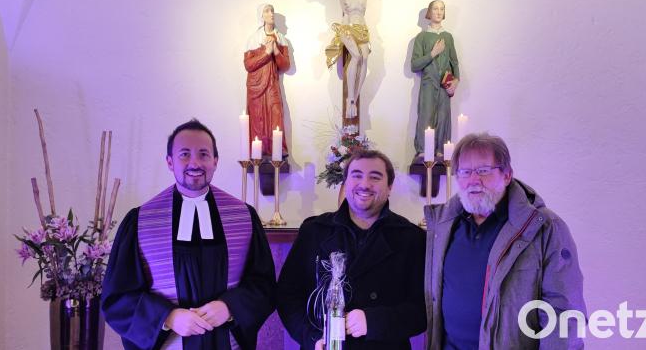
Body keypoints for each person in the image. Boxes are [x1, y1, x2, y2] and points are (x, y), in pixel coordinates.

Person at [102, 119, 276, 350]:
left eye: (203, 154)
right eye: (184, 154)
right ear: (170, 162)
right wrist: (167, 318)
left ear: (215, 161)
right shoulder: (141, 221)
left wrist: (230, 307)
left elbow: (263, 284)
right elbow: (118, 297)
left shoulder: (243, 216)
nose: (194, 162)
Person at [423, 133, 586, 349]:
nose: (473, 180)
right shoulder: (443, 226)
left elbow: (563, 314)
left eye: (483, 171)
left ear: (507, 175)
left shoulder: (544, 227)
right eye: (465, 172)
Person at [277, 150, 426, 349]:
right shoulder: (313, 231)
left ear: (390, 186)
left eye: (375, 177)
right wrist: (312, 338)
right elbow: (288, 295)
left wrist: (374, 321)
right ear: (345, 183)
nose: (364, 184)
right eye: (356, 176)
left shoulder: (411, 238)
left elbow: (423, 310)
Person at [275, 0, 430, 118]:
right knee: (355, 56)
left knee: (364, 57)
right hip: (346, 26)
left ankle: (354, 99)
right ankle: (349, 99)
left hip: (362, 27)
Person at [411, 0, 459, 157]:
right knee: (426, 115)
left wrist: (456, 81)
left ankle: (441, 150)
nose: (439, 12)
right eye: (435, 9)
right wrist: (433, 53)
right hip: (428, 84)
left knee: (443, 116)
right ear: (429, 13)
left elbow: (455, 62)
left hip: (444, 86)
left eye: (442, 9)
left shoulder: (448, 37)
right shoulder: (421, 37)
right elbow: (415, 65)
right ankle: (423, 150)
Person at [244, 3, 290, 157]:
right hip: (256, 86)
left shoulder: (281, 38)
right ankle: (260, 153)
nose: (271, 14)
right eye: (267, 11)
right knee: (258, 118)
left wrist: (276, 51)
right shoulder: (254, 39)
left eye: (272, 11)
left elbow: (285, 65)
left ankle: (276, 152)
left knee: (276, 113)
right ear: (261, 16)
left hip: (272, 84)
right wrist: (266, 53)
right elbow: (248, 65)